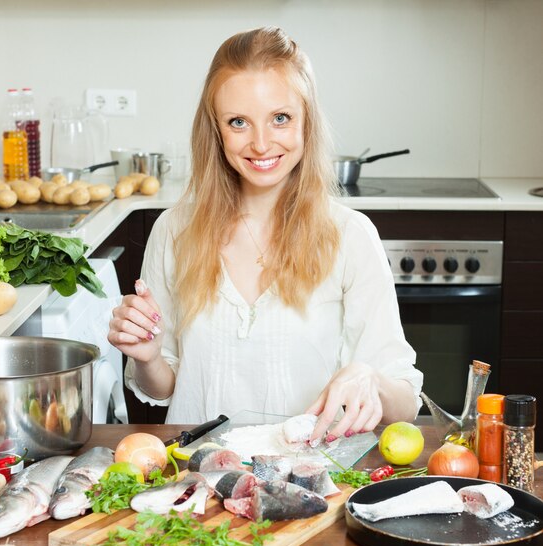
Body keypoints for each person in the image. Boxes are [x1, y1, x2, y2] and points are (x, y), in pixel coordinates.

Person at [108, 26, 422, 444]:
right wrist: (147, 356)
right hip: (199, 486)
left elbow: (406, 402)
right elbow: (161, 390)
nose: (260, 143)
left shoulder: (350, 236)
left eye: (280, 118)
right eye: (238, 122)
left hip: (314, 486)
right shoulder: (173, 231)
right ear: (216, 132)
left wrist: (370, 379)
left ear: (306, 120)